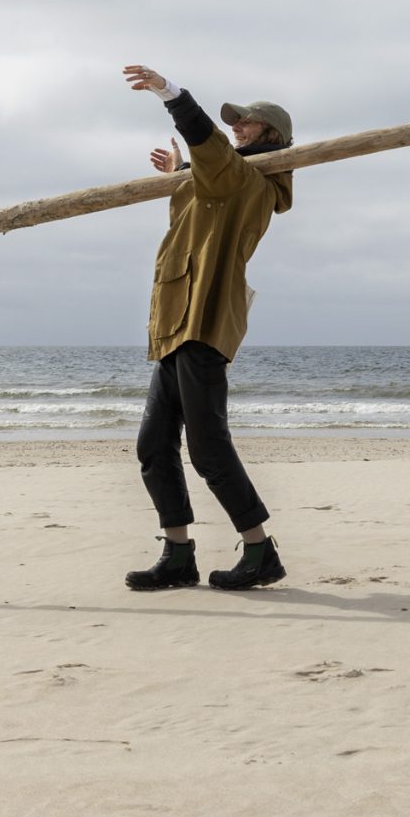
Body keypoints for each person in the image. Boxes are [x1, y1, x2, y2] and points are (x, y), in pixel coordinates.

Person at [118, 63, 296, 592]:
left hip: (206, 319)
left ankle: (260, 550)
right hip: (177, 320)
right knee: (154, 446)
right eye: (234, 121)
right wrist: (180, 172)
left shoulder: (247, 179)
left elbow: (209, 144)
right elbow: (205, 195)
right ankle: (177, 554)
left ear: (272, 136)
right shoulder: (224, 178)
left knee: (209, 447)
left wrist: (169, 92)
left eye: (247, 122)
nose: (237, 126)